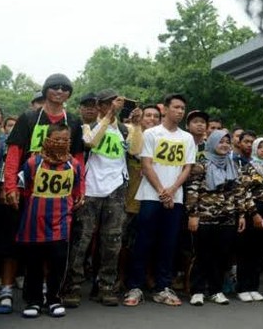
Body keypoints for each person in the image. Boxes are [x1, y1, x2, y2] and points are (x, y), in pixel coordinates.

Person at [0, 73, 85, 314]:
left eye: (64, 88)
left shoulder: (74, 121)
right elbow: (14, 153)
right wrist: (10, 186)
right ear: (46, 90)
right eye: (54, 87)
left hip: (58, 192)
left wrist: (81, 189)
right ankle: (10, 290)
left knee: (54, 243)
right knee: (18, 240)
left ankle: (49, 290)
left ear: (69, 93)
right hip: (28, 189)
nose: (59, 91)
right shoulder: (29, 118)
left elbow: (78, 156)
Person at [64, 90, 144, 306]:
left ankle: (106, 286)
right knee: (82, 239)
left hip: (116, 188)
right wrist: (108, 118)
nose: (113, 107)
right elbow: (90, 143)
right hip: (90, 188)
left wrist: (136, 125)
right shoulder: (88, 126)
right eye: (108, 104)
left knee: (113, 240)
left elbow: (136, 150)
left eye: (115, 103)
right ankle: (72, 286)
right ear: (100, 106)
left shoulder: (124, 129)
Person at [123, 93, 196, 306]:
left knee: (168, 243)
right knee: (143, 241)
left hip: (175, 198)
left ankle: (163, 286)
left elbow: (187, 167)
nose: (180, 111)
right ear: (165, 109)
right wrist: (162, 191)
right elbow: (146, 164)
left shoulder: (187, 138)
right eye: (176, 107)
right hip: (150, 196)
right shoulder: (152, 134)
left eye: (183, 108)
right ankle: (134, 286)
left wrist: (172, 191)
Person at [9, 124, 85, 318]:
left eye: (64, 140)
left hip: (61, 221)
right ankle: (33, 300)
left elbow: (76, 191)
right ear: (47, 139)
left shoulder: (74, 165)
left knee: (58, 262)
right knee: (33, 263)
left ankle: (54, 299)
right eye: (56, 139)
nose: (60, 143)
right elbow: (25, 189)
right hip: (34, 221)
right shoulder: (33, 163)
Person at [186, 130, 246, 306]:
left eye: (227, 142)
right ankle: (197, 290)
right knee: (202, 255)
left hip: (227, 218)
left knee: (221, 256)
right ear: (212, 143)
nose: (225, 145)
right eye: (221, 142)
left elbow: (238, 191)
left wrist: (241, 214)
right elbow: (192, 190)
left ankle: (216, 290)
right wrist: (193, 214)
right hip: (204, 217)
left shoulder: (232, 165)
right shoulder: (201, 164)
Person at [119, 104, 161, 290]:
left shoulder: (164, 139)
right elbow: (132, 152)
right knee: (123, 242)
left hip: (153, 197)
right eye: (148, 115)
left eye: (156, 116)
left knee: (151, 240)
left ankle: (148, 276)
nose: (151, 119)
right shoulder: (131, 132)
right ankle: (120, 277)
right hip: (130, 196)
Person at [236, 137, 263, 302]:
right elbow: (243, 191)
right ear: (255, 149)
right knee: (246, 250)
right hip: (251, 212)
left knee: (260, 252)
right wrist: (254, 213)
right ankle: (242, 287)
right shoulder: (248, 167)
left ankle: (253, 287)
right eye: (260, 147)